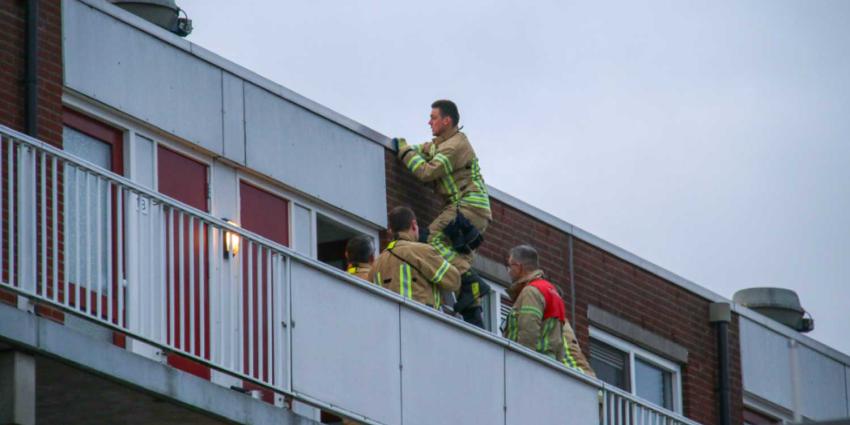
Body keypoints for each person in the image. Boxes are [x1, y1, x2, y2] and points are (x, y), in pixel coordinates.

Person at [393, 100, 491, 325]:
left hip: (466, 205)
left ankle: (473, 283)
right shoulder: (441, 143)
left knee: (432, 239)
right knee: (459, 257)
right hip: (472, 208)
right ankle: (473, 315)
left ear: (447, 121)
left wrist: (404, 150)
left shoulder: (454, 146)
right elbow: (423, 150)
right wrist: (409, 148)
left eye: (433, 117)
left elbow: (427, 172)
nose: (429, 122)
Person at [368, 206, 461, 309]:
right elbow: (454, 280)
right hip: (420, 318)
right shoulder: (422, 251)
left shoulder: (376, 263)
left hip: (387, 321)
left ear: (391, 230)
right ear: (413, 225)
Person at [504, 244, 574, 364]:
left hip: (532, 364)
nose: (509, 271)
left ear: (519, 267)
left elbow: (528, 331)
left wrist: (521, 362)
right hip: (548, 364)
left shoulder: (531, 291)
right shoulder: (553, 293)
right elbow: (560, 343)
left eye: (510, 266)